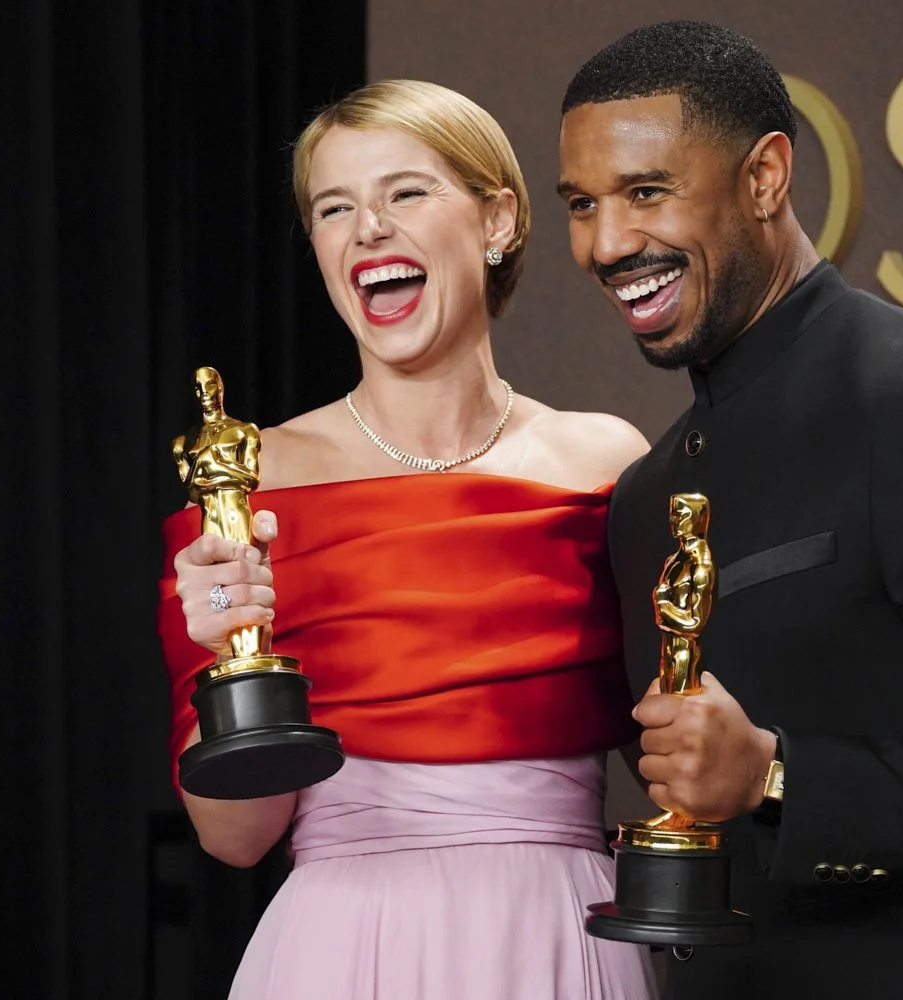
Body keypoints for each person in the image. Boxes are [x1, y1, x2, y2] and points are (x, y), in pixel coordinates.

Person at [556, 21, 903, 1000]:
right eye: (583, 204)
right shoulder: (647, 495)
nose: (608, 243)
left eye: (647, 192)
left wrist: (777, 774)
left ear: (766, 177)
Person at [156, 79, 657, 999]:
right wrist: (226, 646)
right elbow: (236, 837)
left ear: (498, 219)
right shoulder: (248, 480)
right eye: (334, 207)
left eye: (405, 192)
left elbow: (680, 769)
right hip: (347, 948)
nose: (368, 230)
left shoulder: (607, 461)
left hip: (555, 935)